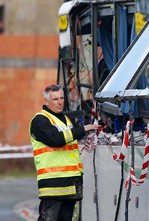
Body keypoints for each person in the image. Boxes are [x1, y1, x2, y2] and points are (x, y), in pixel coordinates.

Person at [29, 84, 99, 221]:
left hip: (71, 183)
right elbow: (56, 139)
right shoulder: (39, 121)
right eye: (55, 99)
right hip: (53, 186)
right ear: (46, 101)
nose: (60, 102)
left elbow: (70, 141)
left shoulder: (66, 120)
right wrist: (82, 129)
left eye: (61, 98)